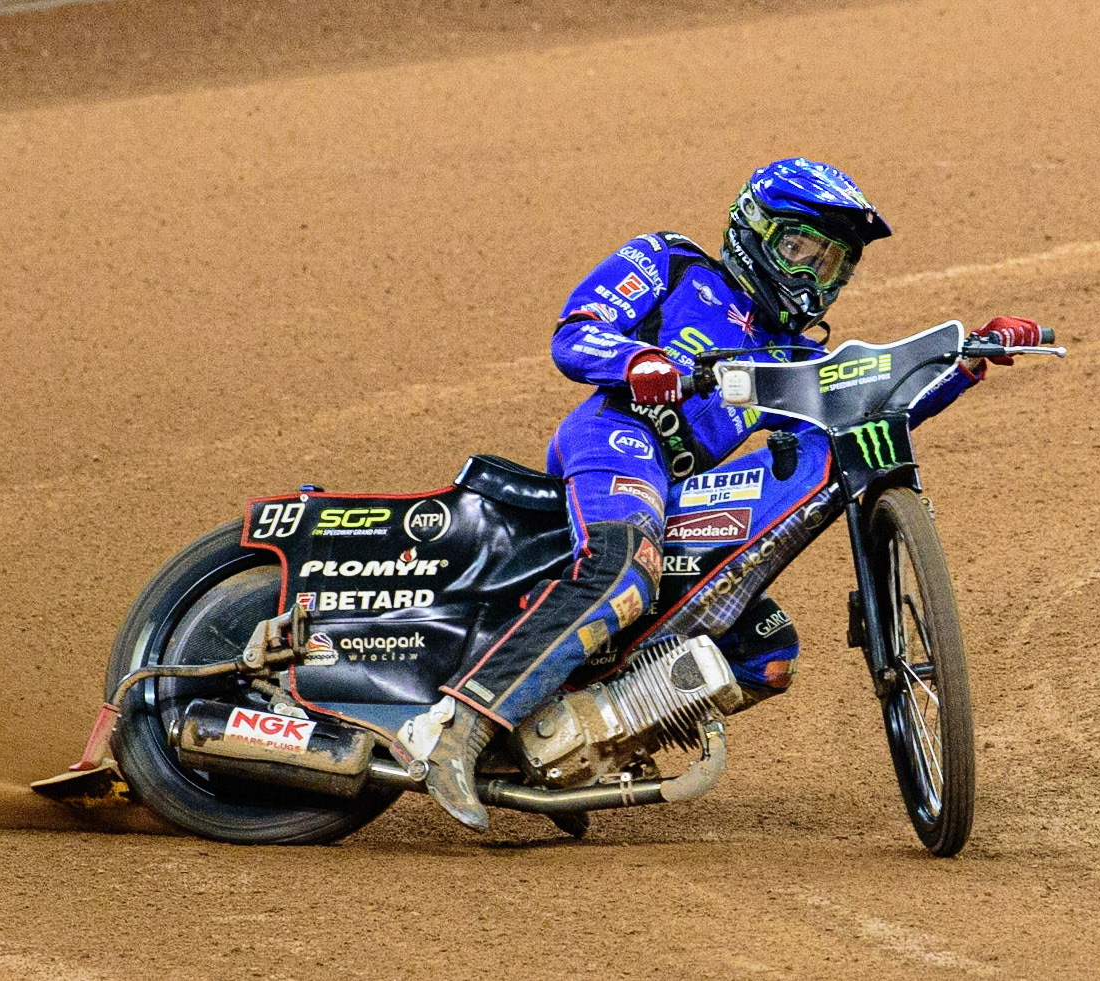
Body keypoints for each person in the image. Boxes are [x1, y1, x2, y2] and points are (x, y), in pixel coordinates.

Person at [419, 157, 1043, 830]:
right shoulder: (670, 262)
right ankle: (465, 727)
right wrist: (639, 361)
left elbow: (868, 404)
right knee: (624, 567)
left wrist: (968, 361)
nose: (812, 276)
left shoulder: (792, 356)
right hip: (615, 437)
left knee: (765, 652)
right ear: (754, 228)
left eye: (832, 264)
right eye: (800, 249)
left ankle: (577, 745)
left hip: (678, 485)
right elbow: (574, 333)